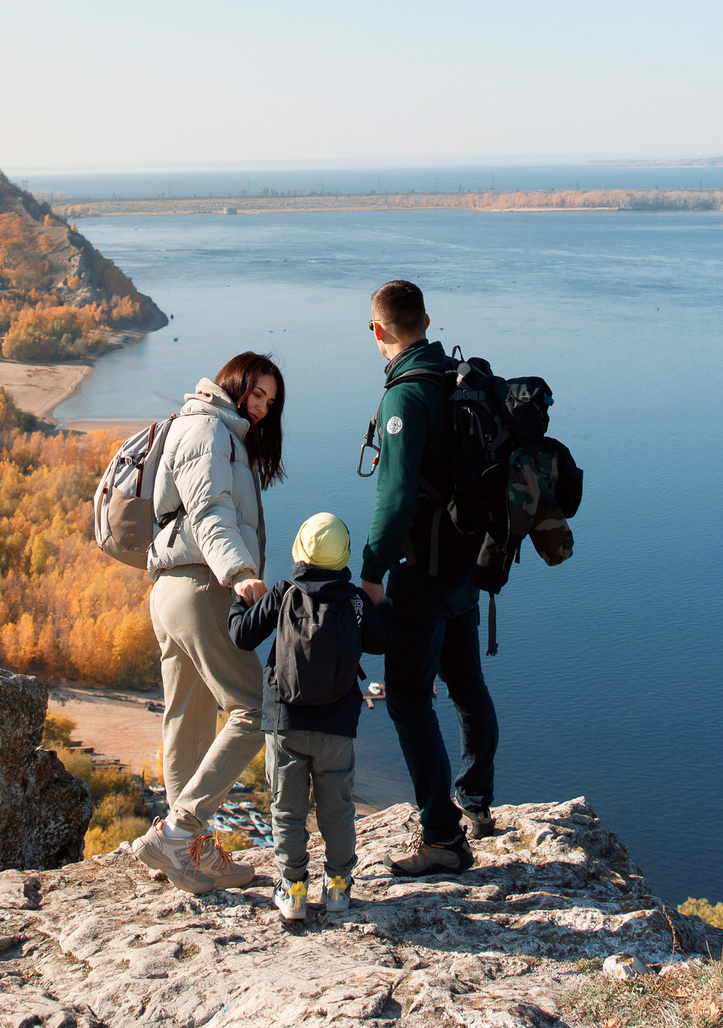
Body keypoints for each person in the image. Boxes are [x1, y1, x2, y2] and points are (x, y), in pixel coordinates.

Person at [129, 353, 285, 895]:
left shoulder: (206, 427)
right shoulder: (207, 429)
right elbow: (209, 508)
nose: (262, 408)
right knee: (254, 709)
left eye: (270, 401)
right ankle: (179, 831)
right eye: (256, 394)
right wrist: (239, 571)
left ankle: (185, 856)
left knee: (187, 721)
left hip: (171, 590)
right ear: (233, 384)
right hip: (201, 588)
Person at [358, 279, 499, 876]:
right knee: (465, 681)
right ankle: (476, 802)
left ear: (378, 330)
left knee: (411, 700)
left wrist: (371, 573)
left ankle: (442, 838)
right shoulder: (456, 377)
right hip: (467, 564)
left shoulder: (405, 396)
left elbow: (393, 499)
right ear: (426, 320)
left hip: (424, 570)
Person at [228, 511, 391, 923]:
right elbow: (383, 640)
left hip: (285, 723)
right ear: (344, 555)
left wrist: (238, 599)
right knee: (337, 808)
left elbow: (241, 635)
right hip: (337, 727)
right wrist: (381, 603)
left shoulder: (284, 593)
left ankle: (293, 889)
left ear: (299, 550)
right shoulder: (354, 600)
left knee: (288, 809)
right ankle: (338, 887)